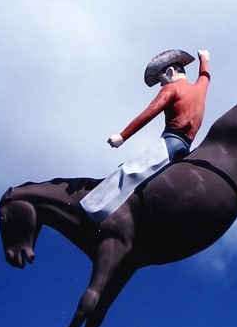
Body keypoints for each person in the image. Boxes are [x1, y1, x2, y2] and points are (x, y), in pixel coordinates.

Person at [80, 48, 211, 222]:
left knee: (130, 171)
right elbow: (205, 76)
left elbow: (148, 113)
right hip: (186, 147)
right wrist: (204, 58)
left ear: (170, 71)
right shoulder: (199, 89)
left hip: (169, 143)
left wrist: (122, 136)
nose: (161, 84)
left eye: (161, 79)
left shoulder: (172, 88)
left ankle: (91, 209)